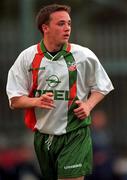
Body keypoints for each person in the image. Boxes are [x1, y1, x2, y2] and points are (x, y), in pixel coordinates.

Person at [6, 4, 114, 180]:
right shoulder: (27, 57)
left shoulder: (83, 55)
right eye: (61, 24)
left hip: (75, 133)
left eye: (69, 24)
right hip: (44, 137)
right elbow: (14, 100)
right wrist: (35, 101)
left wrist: (88, 105)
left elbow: (103, 86)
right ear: (45, 28)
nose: (67, 28)